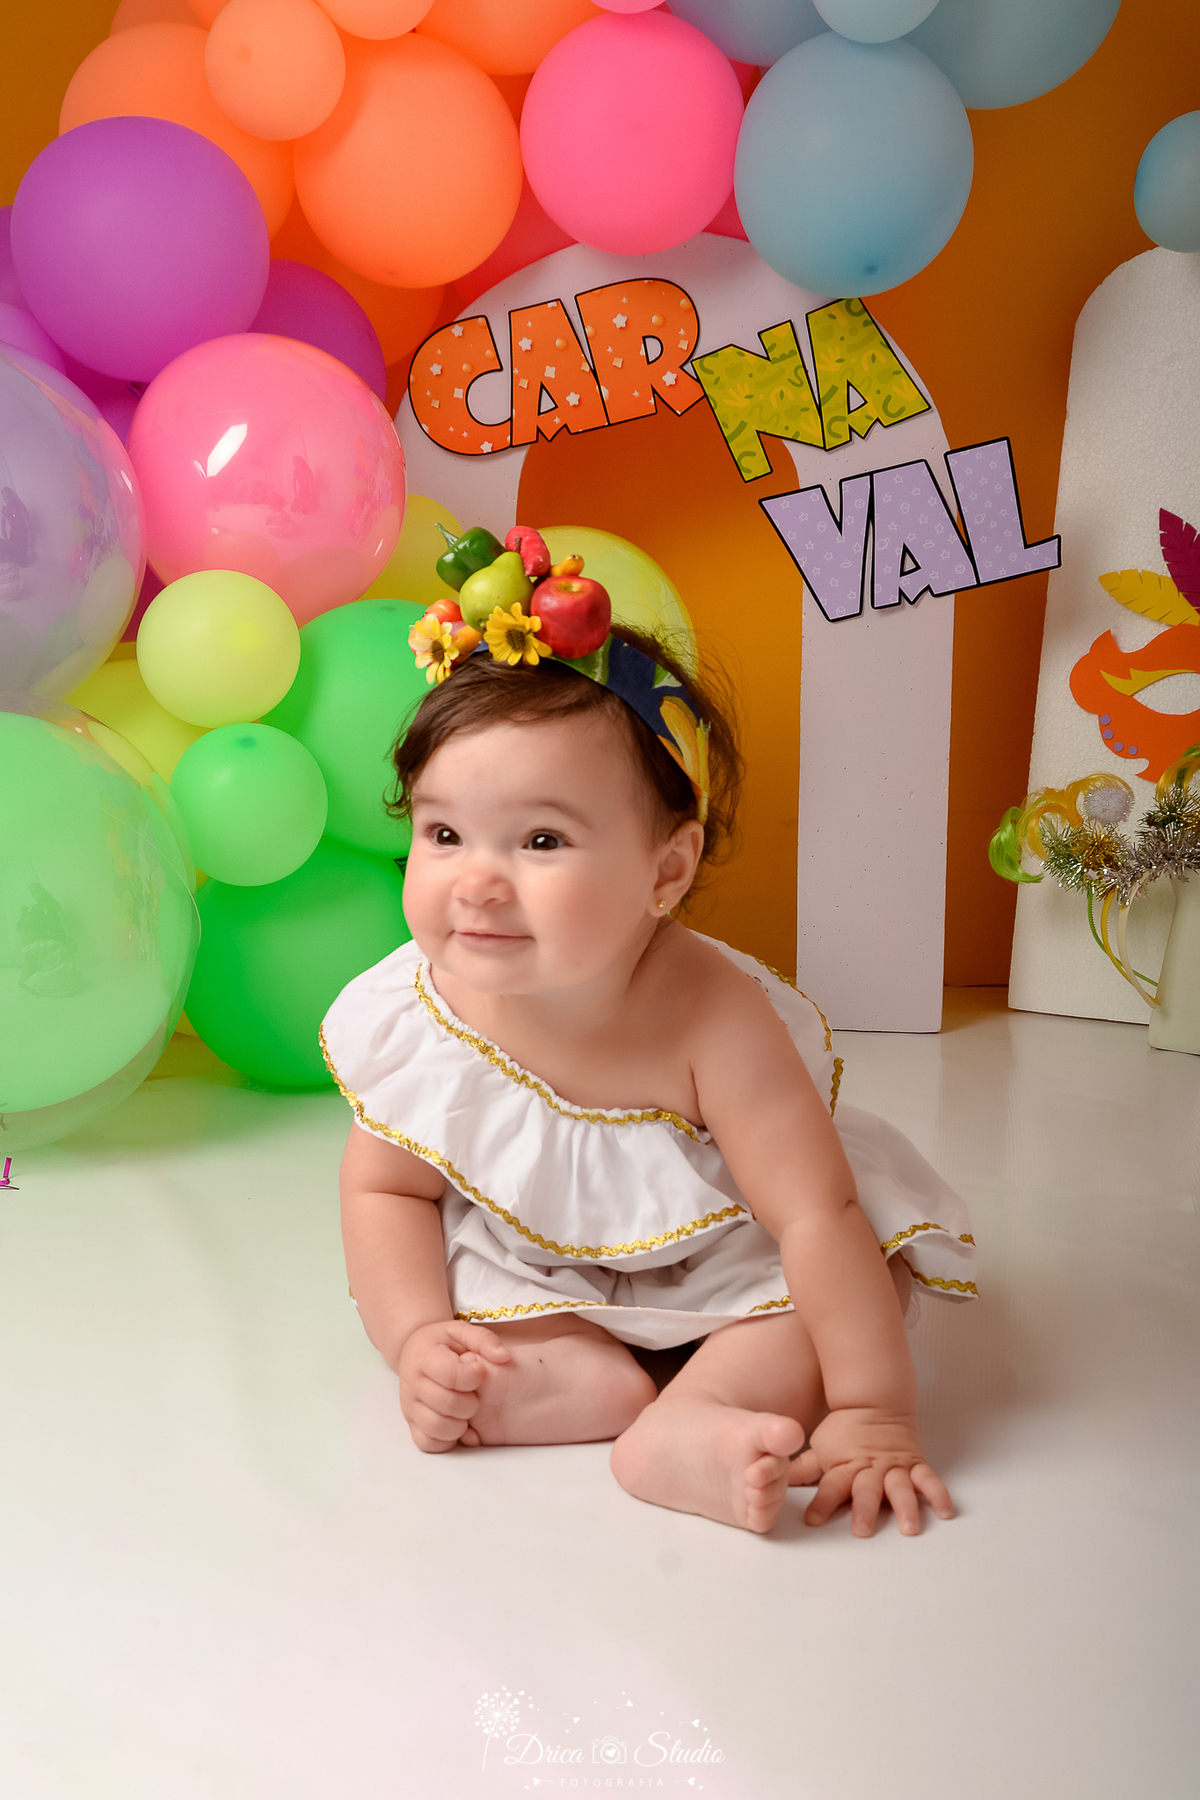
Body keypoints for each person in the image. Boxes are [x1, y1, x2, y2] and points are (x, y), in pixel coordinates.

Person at [323, 596, 977, 1536]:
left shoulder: (714, 1017)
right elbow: (387, 1194)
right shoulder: (432, 1009)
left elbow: (811, 1214)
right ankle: (565, 1380)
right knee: (455, 1269)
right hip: (534, 1248)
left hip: (724, 1249)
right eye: (443, 834)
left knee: (838, 1282)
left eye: (541, 841)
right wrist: (419, 1339)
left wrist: (874, 1411)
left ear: (665, 875)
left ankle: (694, 1419)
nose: (475, 880)